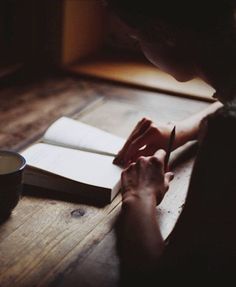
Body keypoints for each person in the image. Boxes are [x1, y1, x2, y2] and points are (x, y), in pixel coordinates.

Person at [104, 0, 236, 285]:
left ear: (162, 32)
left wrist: (140, 195)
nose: (139, 48)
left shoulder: (227, 133)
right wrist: (182, 129)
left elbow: (162, 277)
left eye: (136, 39)